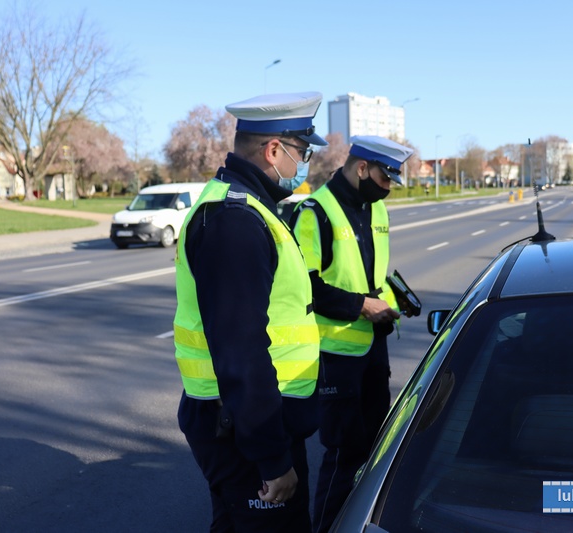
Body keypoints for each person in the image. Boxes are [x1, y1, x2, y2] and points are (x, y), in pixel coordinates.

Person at [174, 91, 327, 532]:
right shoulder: (235, 219)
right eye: (303, 152)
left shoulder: (249, 207)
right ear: (273, 150)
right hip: (244, 432)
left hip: (242, 423)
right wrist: (272, 458)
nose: (305, 162)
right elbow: (241, 349)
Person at [289, 135, 416, 533]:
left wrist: (396, 298)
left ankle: (361, 521)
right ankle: (327, 527)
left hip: (373, 348)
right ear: (361, 168)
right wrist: (363, 306)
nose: (389, 187)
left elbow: (369, 276)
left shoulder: (375, 209)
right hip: (335, 355)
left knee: (374, 448)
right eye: (385, 177)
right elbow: (303, 285)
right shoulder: (316, 213)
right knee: (344, 453)